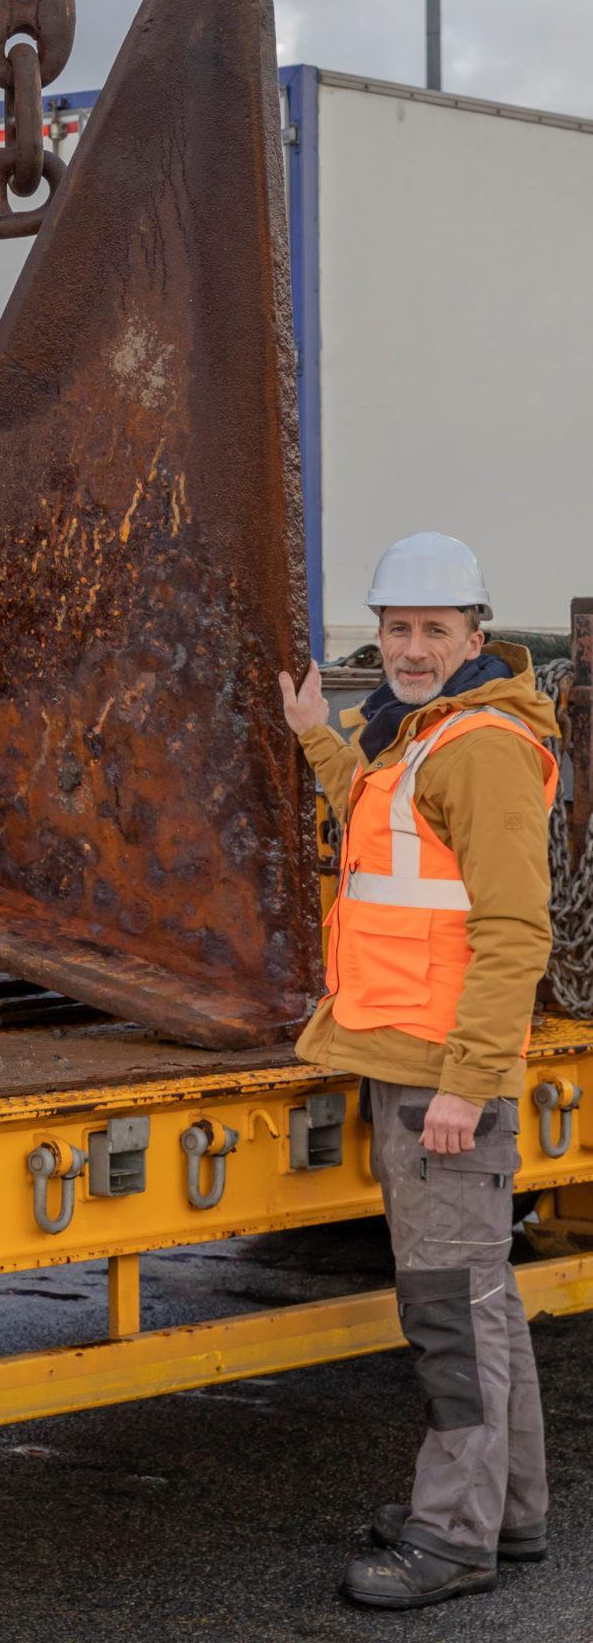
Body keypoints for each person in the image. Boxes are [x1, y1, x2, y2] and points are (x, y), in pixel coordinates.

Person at [279, 531, 559, 1611]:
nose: (408, 645)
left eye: (431, 629)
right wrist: (316, 739)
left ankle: (450, 1538)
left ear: (474, 635)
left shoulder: (477, 746)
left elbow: (512, 932)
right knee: (479, 1300)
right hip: (408, 1053)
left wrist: (466, 1080)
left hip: (442, 1072)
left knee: (445, 1308)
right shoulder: (416, 738)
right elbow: (381, 836)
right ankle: (506, 1510)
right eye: (394, 627)